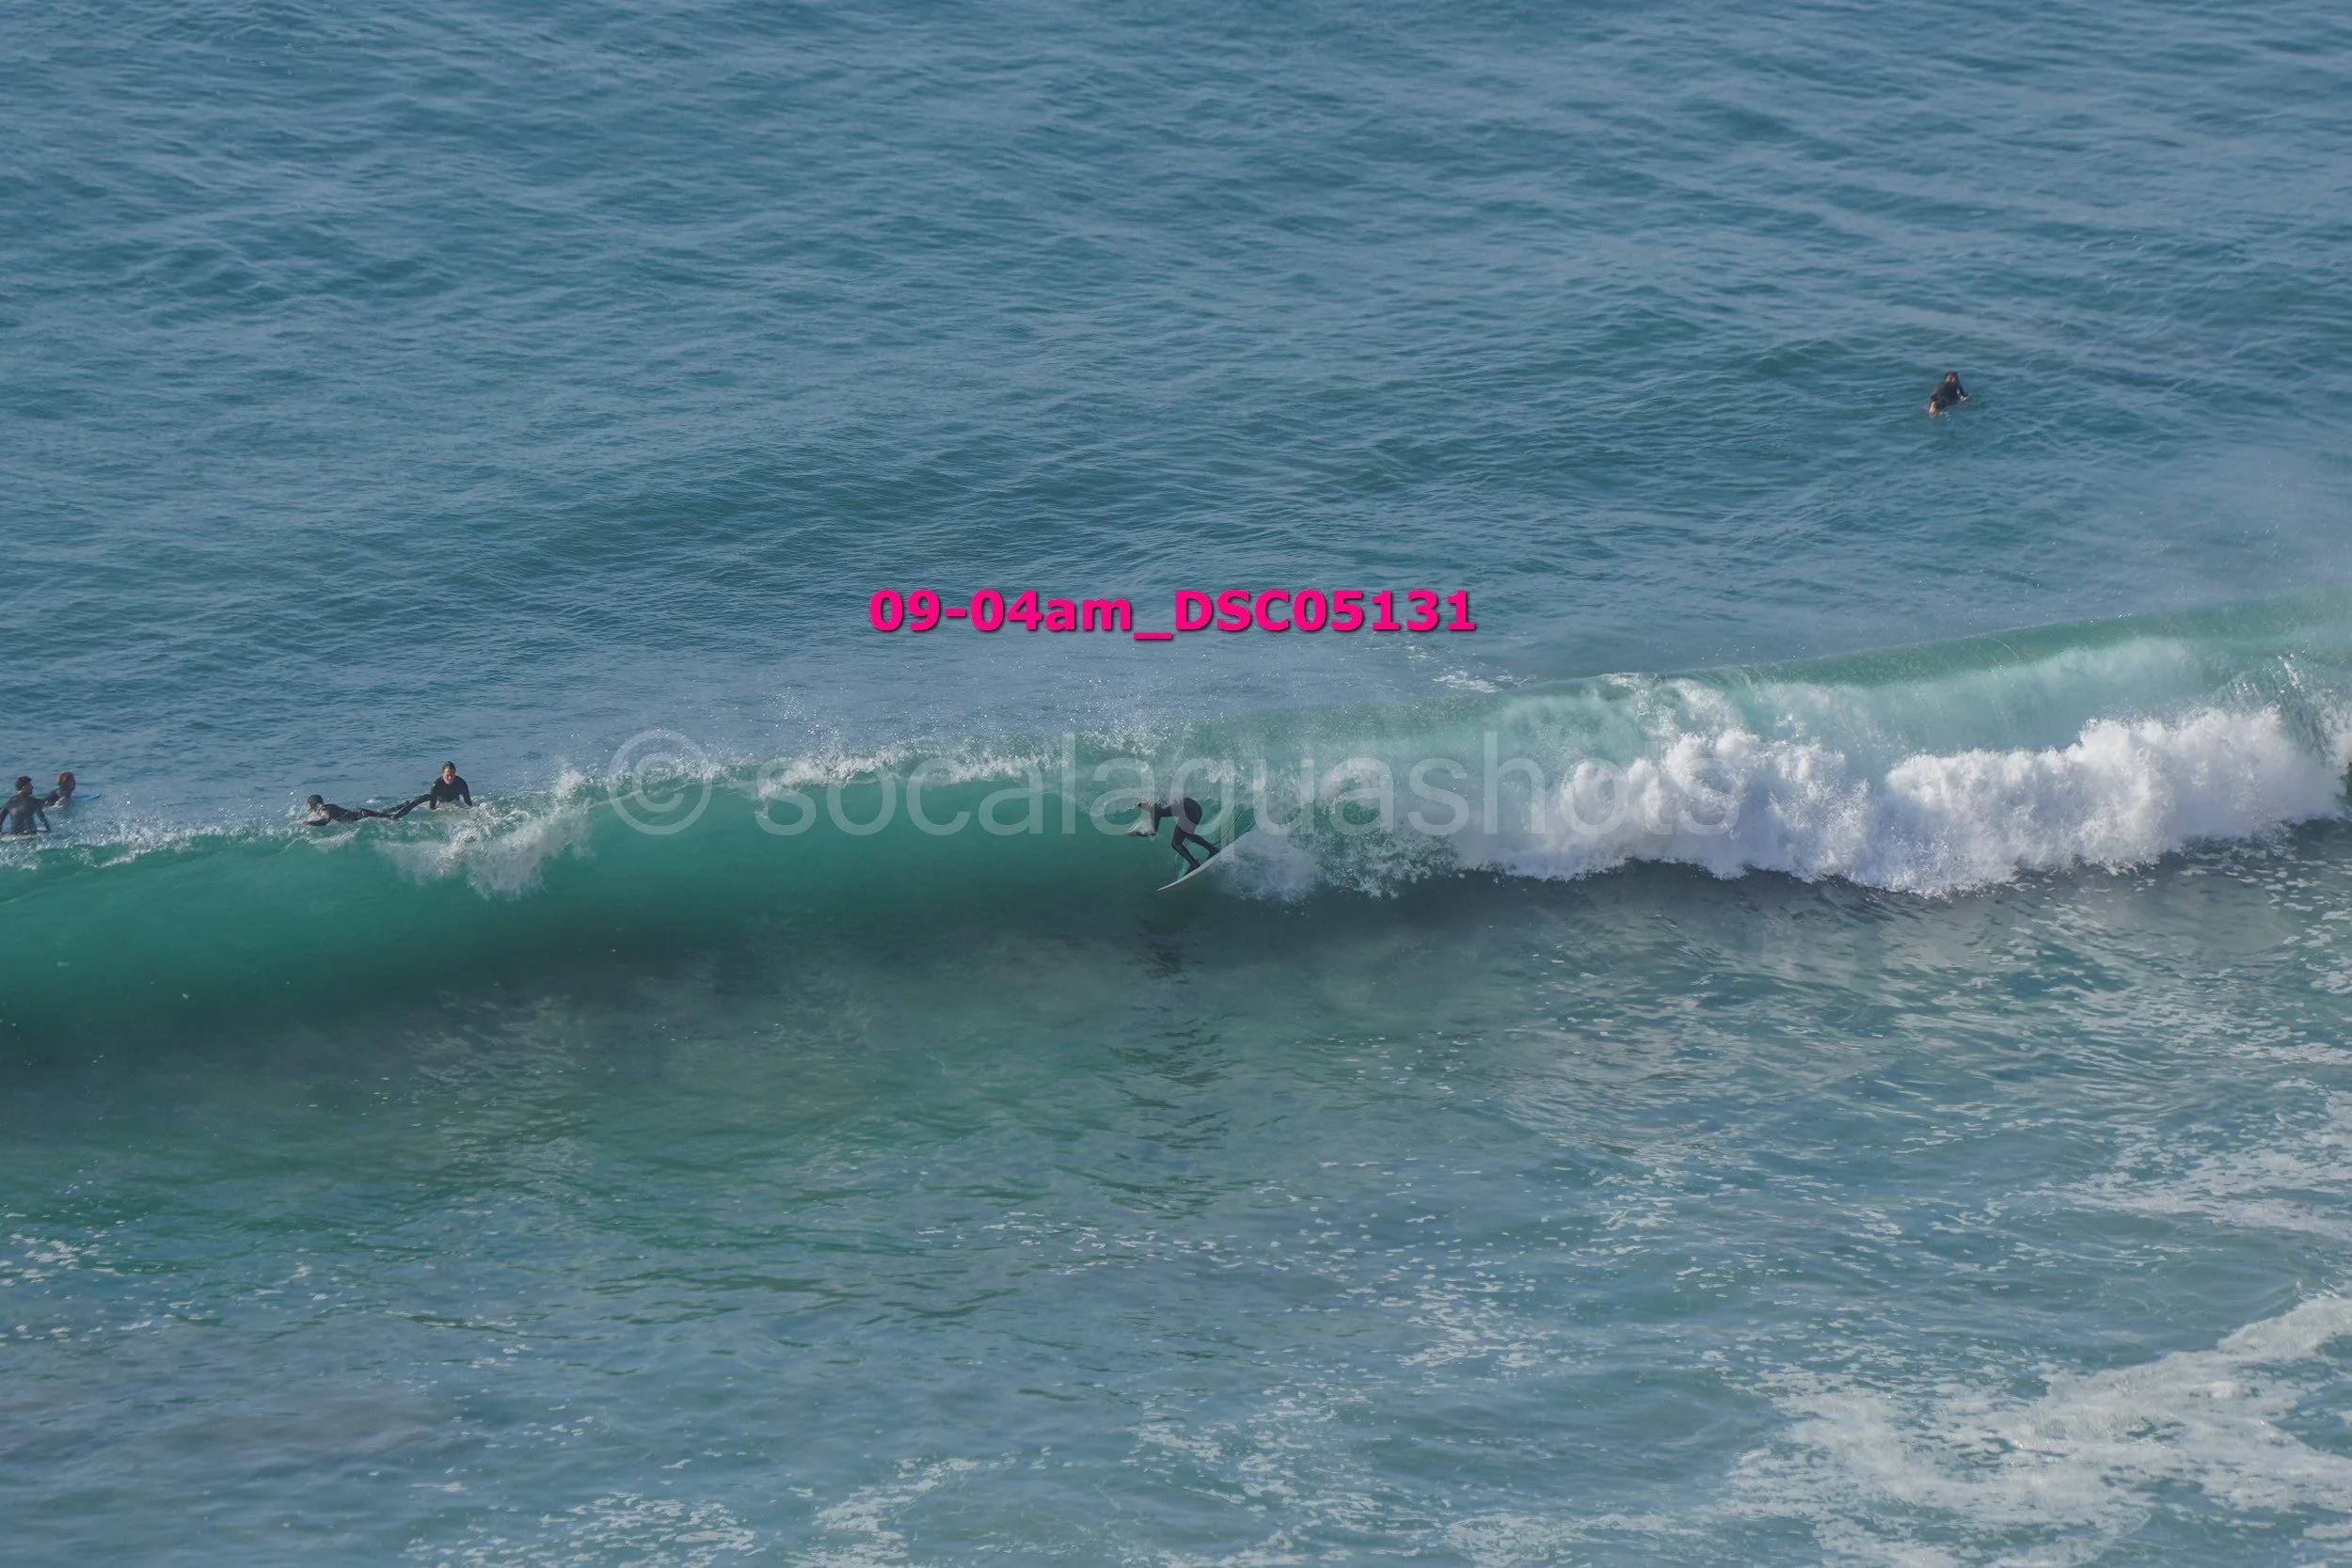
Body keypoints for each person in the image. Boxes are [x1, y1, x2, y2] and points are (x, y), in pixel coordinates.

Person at [1131, 796, 1217, 871]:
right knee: (1188, 834)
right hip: (1196, 808)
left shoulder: (1155, 810)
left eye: (1142, 807)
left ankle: (1194, 863)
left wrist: (1137, 833)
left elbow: (1153, 832)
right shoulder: (1159, 801)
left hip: (1189, 813)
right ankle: (1212, 849)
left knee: (1176, 843)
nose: (1144, 809)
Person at [389, 762, 471, 819]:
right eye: (447, 775)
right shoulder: (437, 784)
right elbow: (432, 807)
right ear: (442, 774)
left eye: (452, 775)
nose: (450, 778)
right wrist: (440, 812)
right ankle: (398, 812)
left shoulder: (461, 783)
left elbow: (468, 804)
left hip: (455, 801)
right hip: (439, 801)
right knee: (421, 799)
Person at [304, 794, 391, 826]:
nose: (308, 809)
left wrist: (307, 823)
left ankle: (393, 816)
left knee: (390, 817)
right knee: (384, 813)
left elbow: (325, 821)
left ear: (313, 805)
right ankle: (401, 806)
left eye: (308, 806)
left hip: (362, 814)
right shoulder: (326, 807)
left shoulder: (322, 809)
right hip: (361, 813)